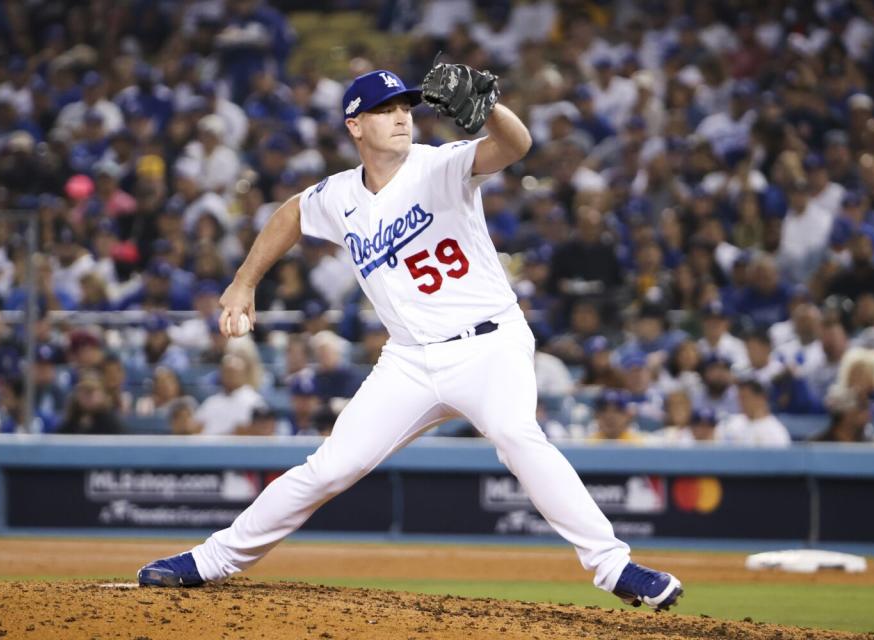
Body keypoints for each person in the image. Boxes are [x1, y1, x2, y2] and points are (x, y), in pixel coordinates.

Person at [138, 65, 682, 610]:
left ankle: (615, 567)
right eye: (384, 109)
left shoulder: (440, 164)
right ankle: (212, 560)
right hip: (408, 361)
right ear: (355, 125)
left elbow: (515, 145)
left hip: (488, 344)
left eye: (405, 107)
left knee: (518, 436)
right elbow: (290, 214)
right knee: (331, 467)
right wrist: (243, 282)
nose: (401, 116)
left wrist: (489, 107)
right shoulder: (340, 195)